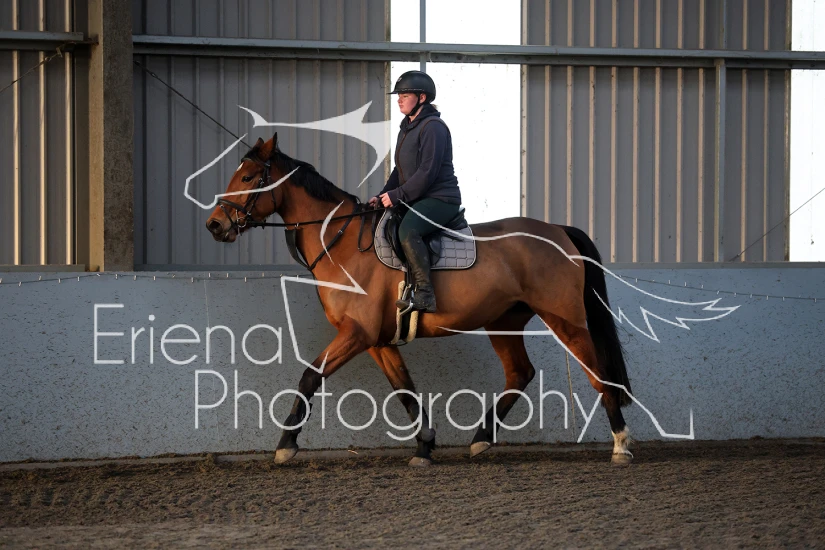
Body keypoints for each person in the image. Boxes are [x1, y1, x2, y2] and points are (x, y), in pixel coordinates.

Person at [368, 70, 461, 313]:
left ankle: (425, 294)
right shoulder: (407, 127)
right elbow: (399, 171)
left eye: (405, 95)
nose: (399, 100)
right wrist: (383, 194)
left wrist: (398, 195)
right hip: (418, 196)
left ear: (422, 98)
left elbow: (427, 172)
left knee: (408, 230)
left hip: (440, 198)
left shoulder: (433, 127)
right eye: (398, 95)